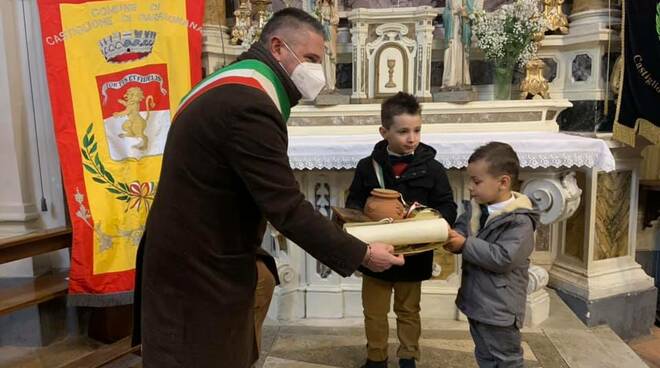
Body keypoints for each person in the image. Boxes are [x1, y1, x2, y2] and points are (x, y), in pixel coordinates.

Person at [132, 8, 404, 368]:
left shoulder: (230, 84)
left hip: (190, 255)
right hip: (198, 273)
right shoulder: (249, 104)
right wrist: (363, 254)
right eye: (309, 58)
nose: (317, 73)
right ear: (277, 47)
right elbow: (287, 208)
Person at [346, 92, 457, 368]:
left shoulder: (432, 169)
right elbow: (354, 203)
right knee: (374, 312)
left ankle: (408, 357)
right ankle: (376, 358)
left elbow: (447, 207)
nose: (412, 138)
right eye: (403, 131)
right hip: (375, 254)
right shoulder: (366, 167)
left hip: (413, 255)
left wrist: (429, 221)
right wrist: (363, 218)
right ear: (384, 131)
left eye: (417, 130)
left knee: (408, 310)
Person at [443, 142, 539, 368]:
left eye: (476, 181)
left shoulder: (520, 221)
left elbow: (504, 258)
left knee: (507, 360)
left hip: (500, 308)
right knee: (485, 355)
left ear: (503, 182)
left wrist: (465, 244)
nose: (470, 187)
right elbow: (461, 228)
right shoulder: (477, 208)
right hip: (477, 302)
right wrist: (452, 238)